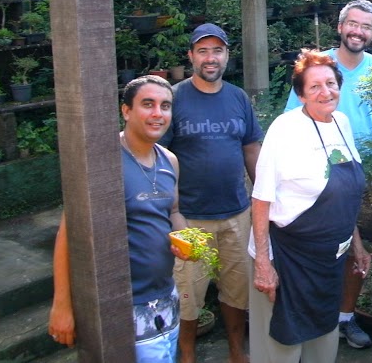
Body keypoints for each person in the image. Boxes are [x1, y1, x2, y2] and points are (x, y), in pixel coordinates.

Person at [49, 76, 189, 361]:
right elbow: (69, 233)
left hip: (164, 298)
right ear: (126, 111)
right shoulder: (104, 162)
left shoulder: (169, 160)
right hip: (120, 306)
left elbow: (172, 211)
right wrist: (62, 305)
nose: (157, 114)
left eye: (165, 106)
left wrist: (185, 237)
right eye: (147, 105)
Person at [250, 49, 370, 363]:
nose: (325, 92)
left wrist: (356, 245)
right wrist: (264, 263)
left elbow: (344, 192)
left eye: (330, 83)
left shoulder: (341, 122)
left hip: (328, 261)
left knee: (323, 342)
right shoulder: (284, 129)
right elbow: (261, 199)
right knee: (282, 347)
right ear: (301, 94)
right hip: (288, 259)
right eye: (314, 86)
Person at [283, 0, 372, 349]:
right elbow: (289, 123)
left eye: (366, 27)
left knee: (355, 253)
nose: (358, 31)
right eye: (352, 24)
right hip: (317, 180)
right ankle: (312, 320)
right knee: (320, 252)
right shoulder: (318, 67)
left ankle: (346, 317)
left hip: (366, 179)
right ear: (340, 27)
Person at [160, 23, 263, 363]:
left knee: (237, 293)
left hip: (237, 215)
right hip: (190, 218)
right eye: (202, 51)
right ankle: (187, 355)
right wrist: (168, 211)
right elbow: (159, 158)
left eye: (217, 50)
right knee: (189, 298)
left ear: (226, 55)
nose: (210, 57)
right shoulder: (173, 99)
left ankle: (236, 351)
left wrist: (262, 198)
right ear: (190, 56)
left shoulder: (237, 98)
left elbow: (251, 149)